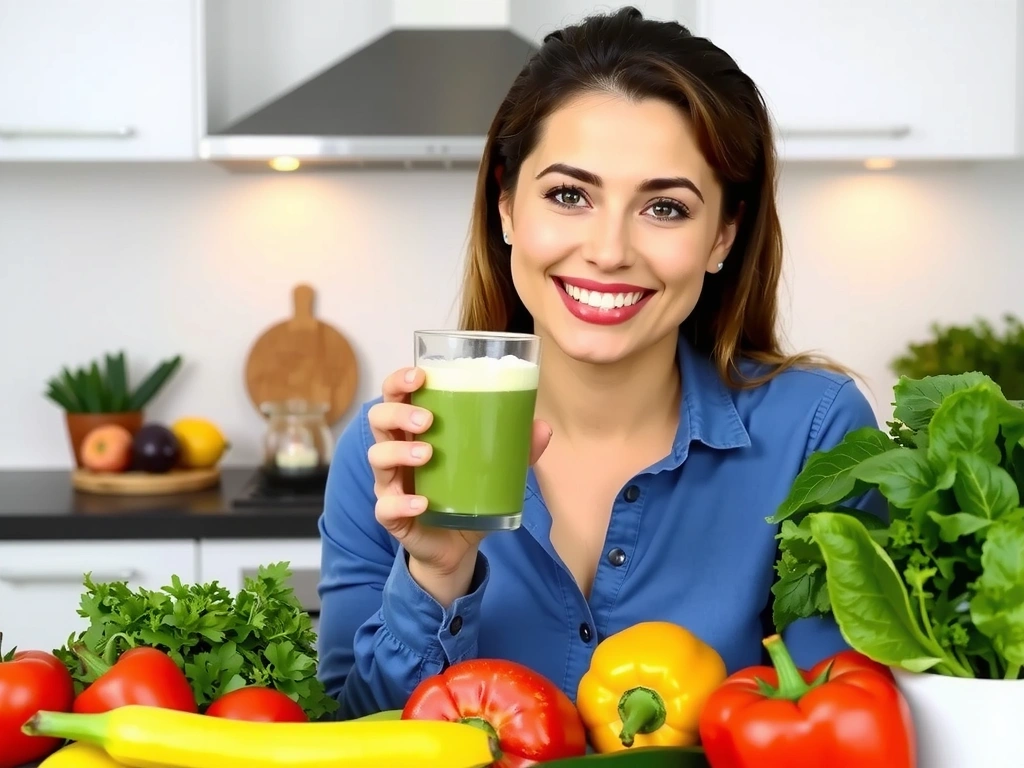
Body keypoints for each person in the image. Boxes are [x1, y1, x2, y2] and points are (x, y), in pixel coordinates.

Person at [315, 5, 884, 718]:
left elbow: (837, 725)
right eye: (569, 195)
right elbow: (347, 736)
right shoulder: (395, 452)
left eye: (666, 208)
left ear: (723, 235)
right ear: (506, 206)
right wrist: (436, 575)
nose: (610, 251)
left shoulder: (816, 437)